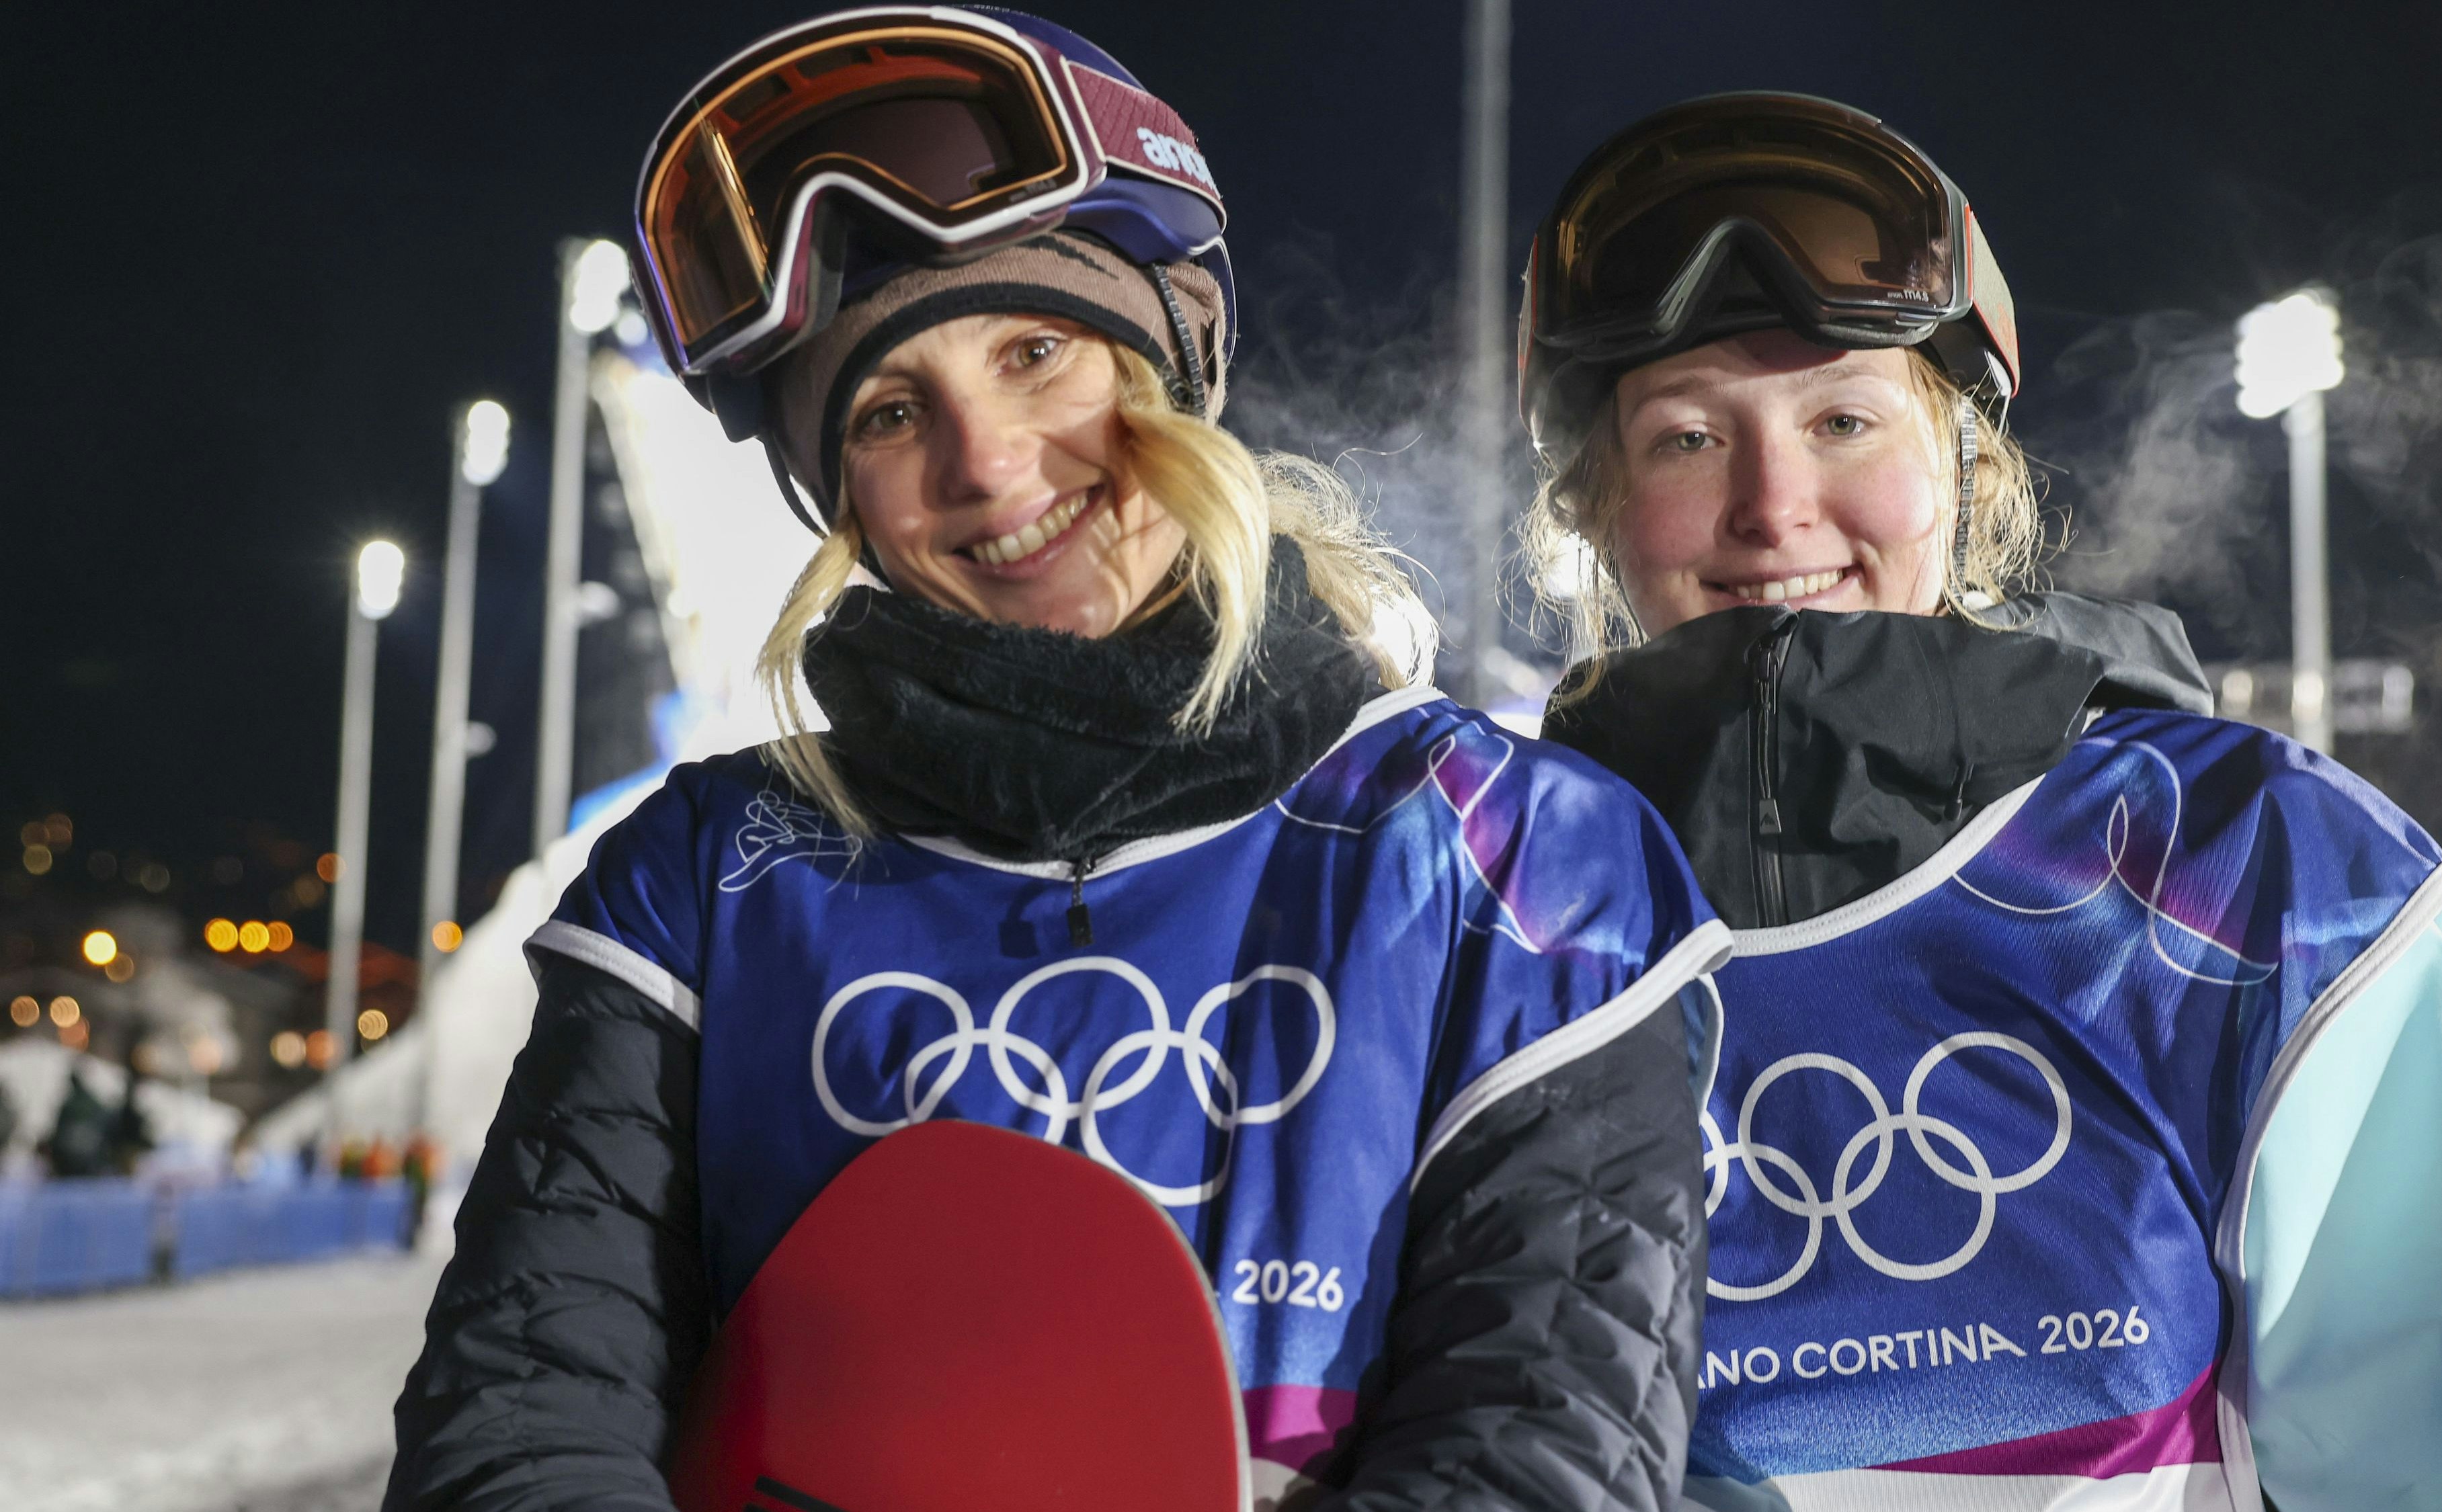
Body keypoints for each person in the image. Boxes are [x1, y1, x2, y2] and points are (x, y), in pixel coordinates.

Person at [384, 11, 1729, 1511]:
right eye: (892, 413)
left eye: (1036, 352)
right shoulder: (706, 877)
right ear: (837, 500)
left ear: (1171, 368)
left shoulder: (1522, 857)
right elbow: (526, 1408)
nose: (988, 465)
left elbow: (1539, 1440)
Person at [1522, 93, 2442, 1511]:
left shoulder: (2235, 871)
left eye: (1845, 418)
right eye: (1685, 438)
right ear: (1590, 502)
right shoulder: (1470, 898)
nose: (1773, 504)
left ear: (1962, 471)